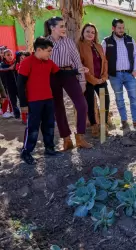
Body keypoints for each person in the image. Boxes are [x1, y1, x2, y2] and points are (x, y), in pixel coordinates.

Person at [45, 16, 93, 150]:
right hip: (52, 76)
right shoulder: (44, 42)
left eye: (64, 26)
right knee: (58, 108)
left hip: (69, 74)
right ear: (52, 28)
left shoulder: (69, 42)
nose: (64, 28)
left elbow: (77, 61)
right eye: (61, 26)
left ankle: (80, 137)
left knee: (82, 105)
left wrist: (82, 80)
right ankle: (66, 140)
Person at [16, 37, 63, 165]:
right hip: (33, 102)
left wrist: (76, 71)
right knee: (33, 128)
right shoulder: (27, 62)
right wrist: (23, 104)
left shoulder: (48, 62)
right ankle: (26, 152)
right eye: (48, 51)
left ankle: (49, 148)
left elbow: (60, 73)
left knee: (49, 125)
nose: (50, 53)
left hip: (48, 99)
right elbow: (20, 84)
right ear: (39, 50)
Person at [102, 18, 136, 129]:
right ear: (113, 28)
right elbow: (103, 59)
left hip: (129, 74)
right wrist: (106, 73)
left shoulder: (130, 40)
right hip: (115, 76)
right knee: (119, 99)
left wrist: (135, 69)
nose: (121, 30)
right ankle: (124, 121)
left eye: (123, 28)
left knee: (133, 97)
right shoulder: (106, 42)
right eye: (119, 28)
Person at [78, 23, 110, 137]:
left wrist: (104, 77)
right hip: (88, 81)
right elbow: (80, 65)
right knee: (90, 104)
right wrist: (93, 79)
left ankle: (103, 125)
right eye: (87, 31)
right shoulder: (79, 45)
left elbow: (105, 61)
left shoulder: (98, 45)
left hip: (101, 80)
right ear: (83, 32)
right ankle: (94, 126)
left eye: (92, 32)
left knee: (104, 102)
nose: (90, 34)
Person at [0, 49, 20, 119]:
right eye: (8, 55)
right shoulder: (2, 64)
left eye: (11, 55)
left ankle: (26, 114)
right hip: (9, 87)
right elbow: (4, 69)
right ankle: (16, 114)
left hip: (18, 85)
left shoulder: (15, 63)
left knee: (22, 99)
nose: (10, 56)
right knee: (13, 101)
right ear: (4, 56)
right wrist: (9, 68)